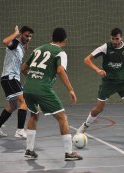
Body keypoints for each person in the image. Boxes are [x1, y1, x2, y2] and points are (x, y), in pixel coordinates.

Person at [77, 28, 124, 138]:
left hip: (123, 81)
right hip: (108, 82)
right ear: (110, 38)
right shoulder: (105, 47)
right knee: (99, 109)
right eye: (112, 39)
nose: (115, 41)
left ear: (121, 38)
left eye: (117, 39)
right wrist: (97, 70)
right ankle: (84, 126)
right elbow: (87, 59)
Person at [21, 28, 82, 161]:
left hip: (28, 88)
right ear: (65, 40)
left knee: (34, 115)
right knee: (62, 117)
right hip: (42, 89)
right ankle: (69, 153)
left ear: (51, 38)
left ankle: (29, 150)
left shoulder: (38, 49)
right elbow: (60, 70)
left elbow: (24, 68)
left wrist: (33, 79)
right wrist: (71, 90)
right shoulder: (60, 52)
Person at [0, 25, 34, 139]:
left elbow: (19, 63)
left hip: (12, 79)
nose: (29, 38)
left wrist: (25, 43)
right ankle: (19, 131)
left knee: (13, 106)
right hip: (10, 78)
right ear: (21, 34)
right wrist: (16, 33)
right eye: (27, 36)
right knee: (24, 101)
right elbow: (5, 41)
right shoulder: (14, 43)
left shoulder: (21, 47)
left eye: (30, 37)